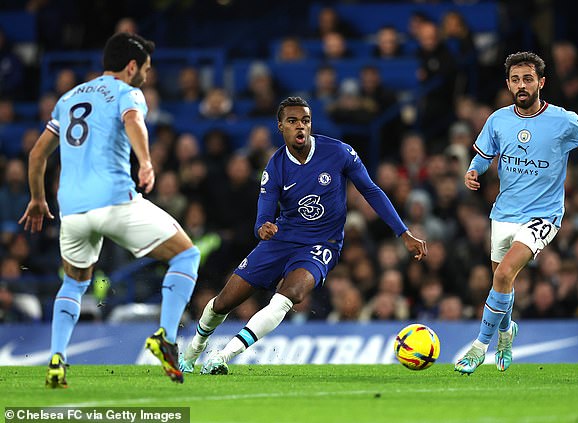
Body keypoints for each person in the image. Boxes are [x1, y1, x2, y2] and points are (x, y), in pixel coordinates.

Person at [179, 96, 427, 375]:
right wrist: (263, 228)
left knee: (290, 295)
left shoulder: (339, 153)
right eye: (293, 121)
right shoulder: (275, 168)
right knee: (224, 302)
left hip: (322, 244)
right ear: (281, 126)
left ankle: (223, 356)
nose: (300, 127)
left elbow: (371, 190)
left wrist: (403, 232)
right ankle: (191, 353)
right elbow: (263, 216)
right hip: (281, 241)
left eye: (305, 121)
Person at [19, 33, 199, 387]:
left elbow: (37, 154)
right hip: (115, 202)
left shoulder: (68, 98)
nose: (146, 75)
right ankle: (166, 339)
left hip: (70, 211)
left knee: (73, 283)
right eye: (145, 68)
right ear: (132, 67)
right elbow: (133, 120)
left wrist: (37, 198)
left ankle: (57, 359)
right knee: (186, 256)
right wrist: (146, 162)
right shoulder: (127, 93)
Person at [454, 52, 578, 375]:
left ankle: (478, 348)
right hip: (503, 212)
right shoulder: (497, 120)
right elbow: (484, 156)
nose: (521, 85)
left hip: (543, 215)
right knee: (503, 281)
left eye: (528, 79)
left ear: (541, 82)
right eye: (515, 80)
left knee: (502, 276)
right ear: (508, 84)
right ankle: (506, 332)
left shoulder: (563, 120)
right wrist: (473, 171)